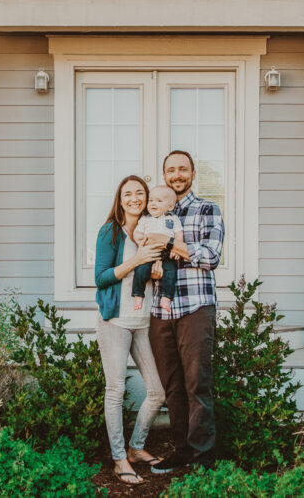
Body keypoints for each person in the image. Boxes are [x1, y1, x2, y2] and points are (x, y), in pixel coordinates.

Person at [147, 150, 225, 473]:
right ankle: (181, 452)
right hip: (160, 311)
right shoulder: (154, 211)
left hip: (195, 307)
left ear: (193, 173)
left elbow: (211, 255)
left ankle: (202, 459)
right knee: (173, 387)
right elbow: (142, 251)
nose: (176, 175)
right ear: (164, 175)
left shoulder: (208, 209)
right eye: (170, 170)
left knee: (197, 384)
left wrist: (169, 246)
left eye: (182, 169)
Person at [93, 175, 168, 485]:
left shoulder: (153, 230)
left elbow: (153, 274)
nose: (135, 198)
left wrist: (155, 270)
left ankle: (137, 448)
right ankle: (119, 457)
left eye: (140, 193)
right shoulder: (111, 231)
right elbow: (101, 277)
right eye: (128, 193)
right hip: (115, 322)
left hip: (142, 323)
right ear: (120, 199)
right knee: (116, 390)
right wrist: (136, 259)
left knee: (157, 391)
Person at [131, 185, 184, 313]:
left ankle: (166, 297)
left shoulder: (173, 218)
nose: (153, 203)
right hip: (149, 252)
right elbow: (137, 234)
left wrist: (176, 249)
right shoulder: (145, 220)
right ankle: (138, 295)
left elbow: (178, 234)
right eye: (151, 200)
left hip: (166, 252)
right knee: (140, 271)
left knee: (170, 272)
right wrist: (140, 241)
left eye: (159, 201)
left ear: (170, 207)